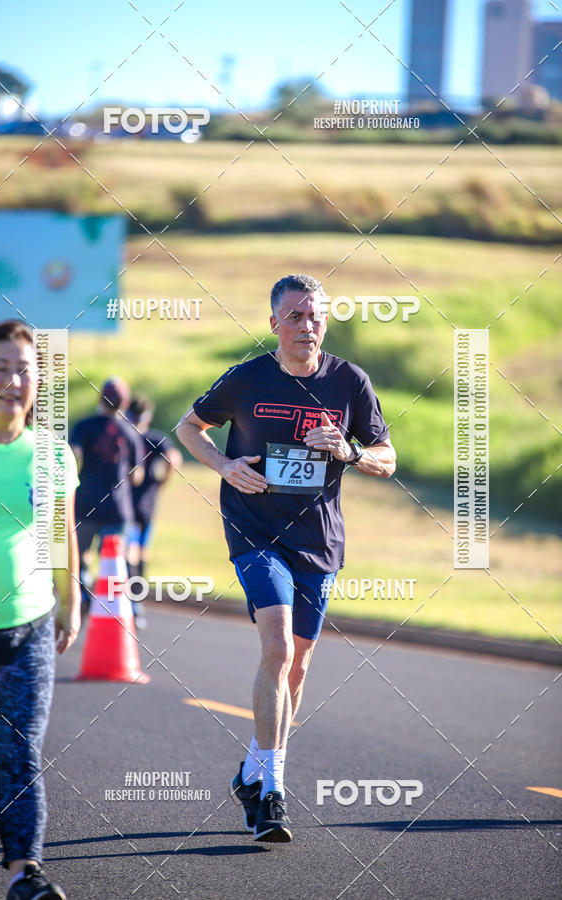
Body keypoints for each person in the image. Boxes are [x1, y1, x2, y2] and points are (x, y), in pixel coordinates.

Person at [176, 273, 396, 842]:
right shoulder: (247, 377)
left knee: (297, 665)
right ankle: (273, 790)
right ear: (274, 323)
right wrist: (224, 467)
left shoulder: (350, 381)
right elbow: (189, 426)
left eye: (315, 315)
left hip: (318, 541)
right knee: (275, 646)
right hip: (254, 531)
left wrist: (348, 451)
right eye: (295, 316)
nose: (307, 326)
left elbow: (386, 457)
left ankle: (251, 772)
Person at [0, 320, 80, 899]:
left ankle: (23, 875)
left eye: (25, 368)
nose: (14, 379)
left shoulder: (53, 453)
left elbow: (58, 534)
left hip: (27, 630)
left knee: (20, 756)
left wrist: (70, 599)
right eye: (0, 367)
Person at [70, 377, 144, 621]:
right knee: (113, 562)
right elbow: (137, 475)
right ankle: (118, 610)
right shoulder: (130, 432)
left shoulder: (84, 426)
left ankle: (83, 593)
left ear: (99, 398)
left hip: (85, 504)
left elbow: (74, 458)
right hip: (117, 508)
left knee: (79, 556)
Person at [126, 395, 182, 613]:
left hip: (126, 502)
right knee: (141, 551)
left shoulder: (125, 436)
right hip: (148, 501)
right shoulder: (154, 438)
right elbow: (174, 459)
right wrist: (162, 481)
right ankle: (136, 599)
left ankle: (129, 599)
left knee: (128, 550)